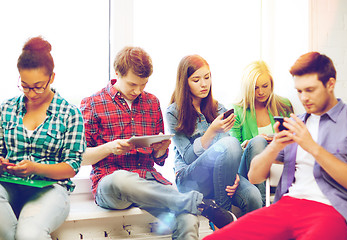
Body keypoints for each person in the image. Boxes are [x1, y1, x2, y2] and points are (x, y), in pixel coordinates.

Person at [80, 47, 236, 240]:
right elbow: (81, 158)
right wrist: (110, 147)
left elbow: (159, 160)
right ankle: (200, 204)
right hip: (111, 183)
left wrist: (160, 150)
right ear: (117, 73)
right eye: (132, 84)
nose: (138, 90)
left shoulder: (151, 102)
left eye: (143, 84)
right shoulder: (93, 103)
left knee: (187, 218)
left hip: (148, 182)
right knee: (121, 179)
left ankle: (194, 206)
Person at [203, 52, 347, 240]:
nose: (304, 98)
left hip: (332, 208)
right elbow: (254, 177)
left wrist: (311, 146)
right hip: (287, 206)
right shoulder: (295, 122)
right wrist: (275, 145)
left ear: (330, 84)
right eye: (299, 91)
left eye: (310, 90)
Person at [0, 36, 86, 240]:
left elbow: (72, 166)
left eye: (38, 86)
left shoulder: (70, 113)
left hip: (50, 189)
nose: (32, 93)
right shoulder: (6, 108)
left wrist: (36, 168)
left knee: (29, 234)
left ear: (52, 78)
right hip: (9, 185)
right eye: (25, 85)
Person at [166, 55, 262, 219]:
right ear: (184, 82)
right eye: (196, 80)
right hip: (190, 180)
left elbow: (229, 156)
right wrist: (212, 130)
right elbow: (189, 157)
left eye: (207, 77)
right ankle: (222, 218)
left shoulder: (218, 109)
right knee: (230, 143)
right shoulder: (173, 113)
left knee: (253, 196)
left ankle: (243, 231)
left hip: (219, 176)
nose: (204, 84)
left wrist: (235, 176)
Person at [230, 60, 293, 205]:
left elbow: (293, 141)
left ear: (272, 84)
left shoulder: (284, 105)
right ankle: (263, 207)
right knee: (258, 142)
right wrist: (251, 143)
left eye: (265, 86)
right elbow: (233, 150)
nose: (261, 92)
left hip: (277, 163)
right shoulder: (237, 111)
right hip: (248, 170)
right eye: (255, 88)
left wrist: (277, 141)